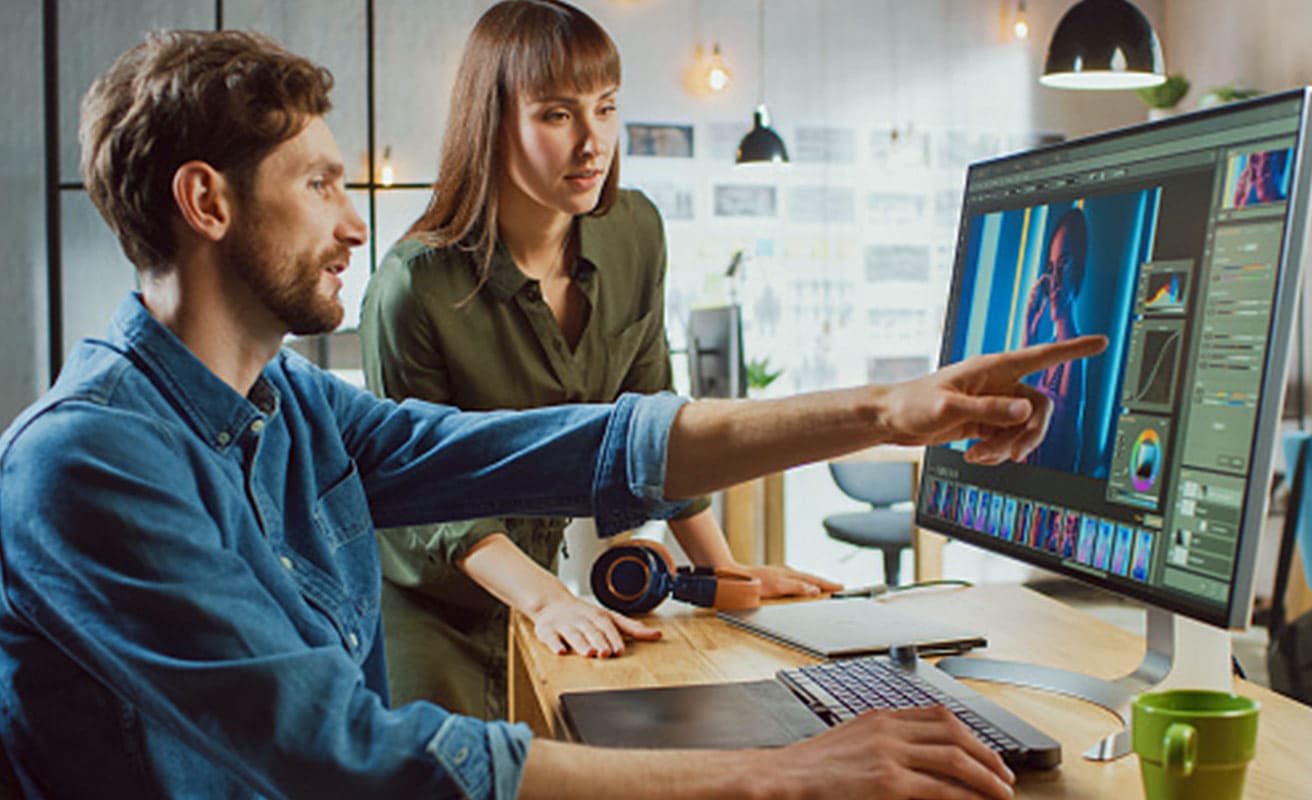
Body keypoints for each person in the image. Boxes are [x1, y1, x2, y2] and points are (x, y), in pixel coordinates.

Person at [0, 28, 1106, 800]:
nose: (354, 223)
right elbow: (338, 755)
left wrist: (888, 409)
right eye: (320, 184)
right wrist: (781, 773)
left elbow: (575, 443)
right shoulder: (91, 460)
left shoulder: (286, 404)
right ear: (207, 201)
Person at [358, 0, 838, 719]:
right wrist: (546, 599)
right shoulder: (414, 285)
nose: (593, 143)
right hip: (431, 609)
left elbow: (657, 424)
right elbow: (424, 495)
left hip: (550, 598)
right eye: (557, 115)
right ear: (492, 122)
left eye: (606, 108)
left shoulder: (633, 232)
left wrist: (724, 575)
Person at [1021, 207, 1090, 473]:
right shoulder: (1049, 348)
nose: (1055, 279)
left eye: (1064, 264)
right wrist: (1028, 334)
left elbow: (1052, 440)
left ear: (1079, 268)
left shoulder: (1075, 353)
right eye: (1051, 268)